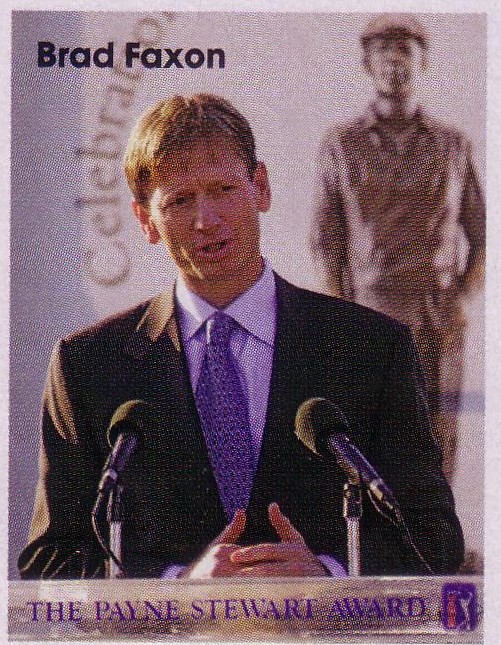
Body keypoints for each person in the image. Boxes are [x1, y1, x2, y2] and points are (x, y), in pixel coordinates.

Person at [19, 93, 463, 580]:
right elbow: (49, 561)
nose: (206, 220)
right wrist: (177, 586)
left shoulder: (372, 349)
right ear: (146, 219)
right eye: (179, 200)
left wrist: (330, 574)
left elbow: (434, 538)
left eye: (224, 189)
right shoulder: (88, 366)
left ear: (262, 187)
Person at [311, 15, 485, 483]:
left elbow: (484, 236)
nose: (395, 59)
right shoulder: (341, 143)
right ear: (368, 62)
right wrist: (341, 312)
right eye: (384, 49)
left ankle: (436, 548)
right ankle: (370, 546)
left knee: (437, 432)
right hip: (370, 307)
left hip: (437, 310)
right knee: (367, 431)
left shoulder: (453, 146)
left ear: (422, 61)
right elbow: (326, 241)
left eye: (406, 49)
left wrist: (462, 300)